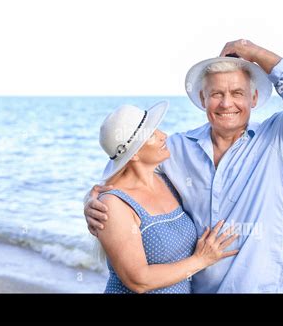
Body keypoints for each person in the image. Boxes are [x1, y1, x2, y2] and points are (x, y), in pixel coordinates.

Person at [84, 39, 283, 293]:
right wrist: (95, 204)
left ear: (254, 98)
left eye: (237, 93)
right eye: (216, 94)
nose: (226, 103)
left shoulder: (281, 139)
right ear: (203, 99)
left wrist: (254, 53)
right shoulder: (178, 149)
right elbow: (129, 177)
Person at [95, 101, 238, 293]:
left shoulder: (168, 182)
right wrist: (200, 260)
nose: (164, 136)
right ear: (134, 154)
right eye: (153, 134)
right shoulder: (114, 204)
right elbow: (138, 280)